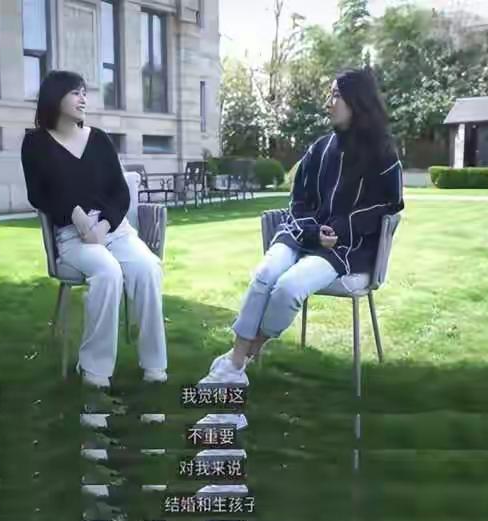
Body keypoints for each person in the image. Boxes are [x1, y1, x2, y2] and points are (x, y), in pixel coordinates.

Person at [198, 67, 404, 386]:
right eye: (330, 95)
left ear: (357, 101)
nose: (328, 103)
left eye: (336, 95)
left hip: (344, 250)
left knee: (288, 289)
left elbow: (389, 207)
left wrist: (342, 230)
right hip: (300, 235)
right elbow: (298, 201)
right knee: (264, 275)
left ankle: (238, 359)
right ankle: (234, 365)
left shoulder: (383, 155)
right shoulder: (319, 149)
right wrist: (312, 232)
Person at [20, 70, 168, 388]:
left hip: (113, 229)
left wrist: (104, 224)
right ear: (55, 97)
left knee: (147, 268)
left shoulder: (98, 139)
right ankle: (95, 370)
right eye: (75, 92)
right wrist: (75, 215)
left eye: (84, 92)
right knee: (108, 272)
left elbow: (120, 193)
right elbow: (38, 194)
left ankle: (154, 364)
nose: (83, 98)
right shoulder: (35, 143)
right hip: (72, 236)